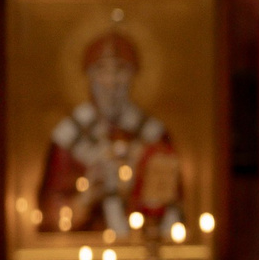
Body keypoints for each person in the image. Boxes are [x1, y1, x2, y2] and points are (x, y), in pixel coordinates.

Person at [38, 13, 181, 237]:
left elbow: (172, 210)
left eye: (121, 70)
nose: (111, 82)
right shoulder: (69, 136)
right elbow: (50, 214)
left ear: (134, 76)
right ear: (89, 76)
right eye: (101, 70)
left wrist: (138, 181)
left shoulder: (152, 134)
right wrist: (87, 196)